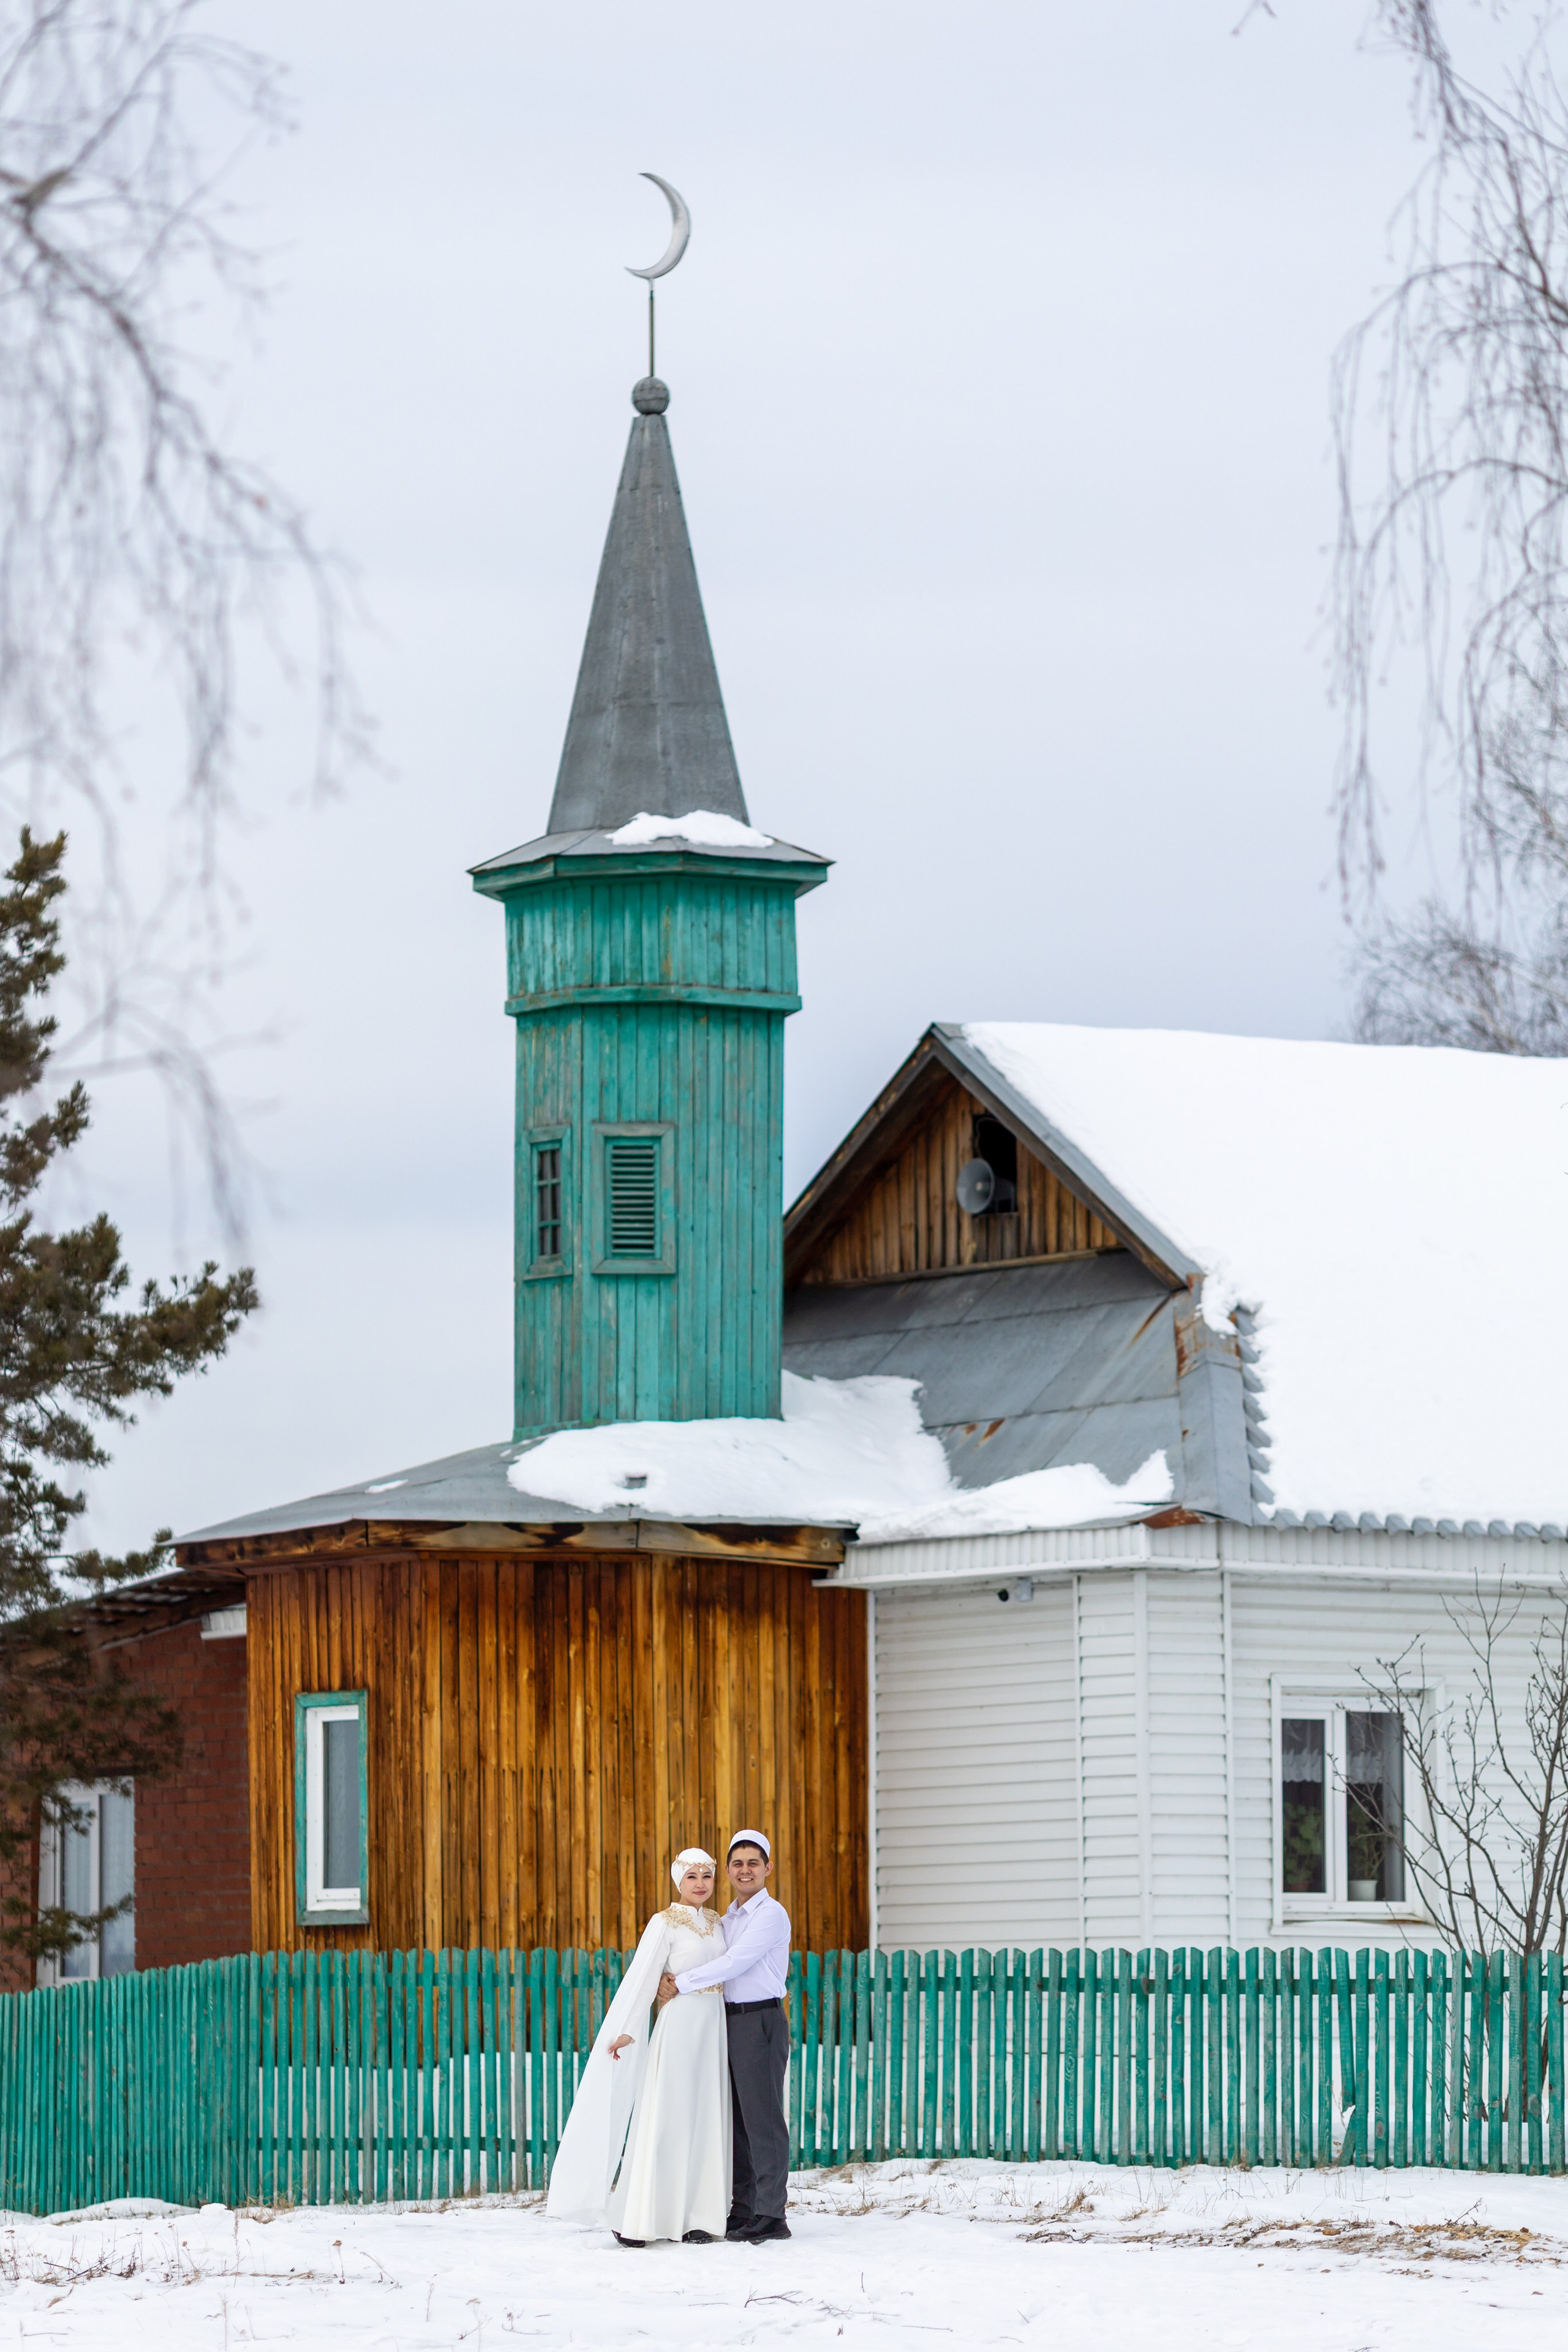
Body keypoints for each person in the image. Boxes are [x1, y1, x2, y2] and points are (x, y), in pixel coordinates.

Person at [545, 1847, 731, 2246]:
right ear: (678, 1880)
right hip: (680, 2024)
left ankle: (698, 2217)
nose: (701, 1883)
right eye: (692, 1876)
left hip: (715, 2027)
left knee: (706, 2118)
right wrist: (629, 2029)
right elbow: (645, 1976)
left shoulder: (719, 1923)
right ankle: (641, 2216)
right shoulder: (664, 1922)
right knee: (669, 2116)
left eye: (707, 1875)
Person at [668, 1828, 793, 2244]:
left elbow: (737, 1963)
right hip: (729, 2021)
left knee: (763, 2119)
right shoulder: (729, 1916)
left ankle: (772, 2215)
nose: (745, 1870)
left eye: (753, 1863)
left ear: (768, 1868)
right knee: (736, 2120)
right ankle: (744, 2209)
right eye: (737, 1863)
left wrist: (682, 1982)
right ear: (729, 1870)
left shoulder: (769, 1913)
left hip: (760, 2021)